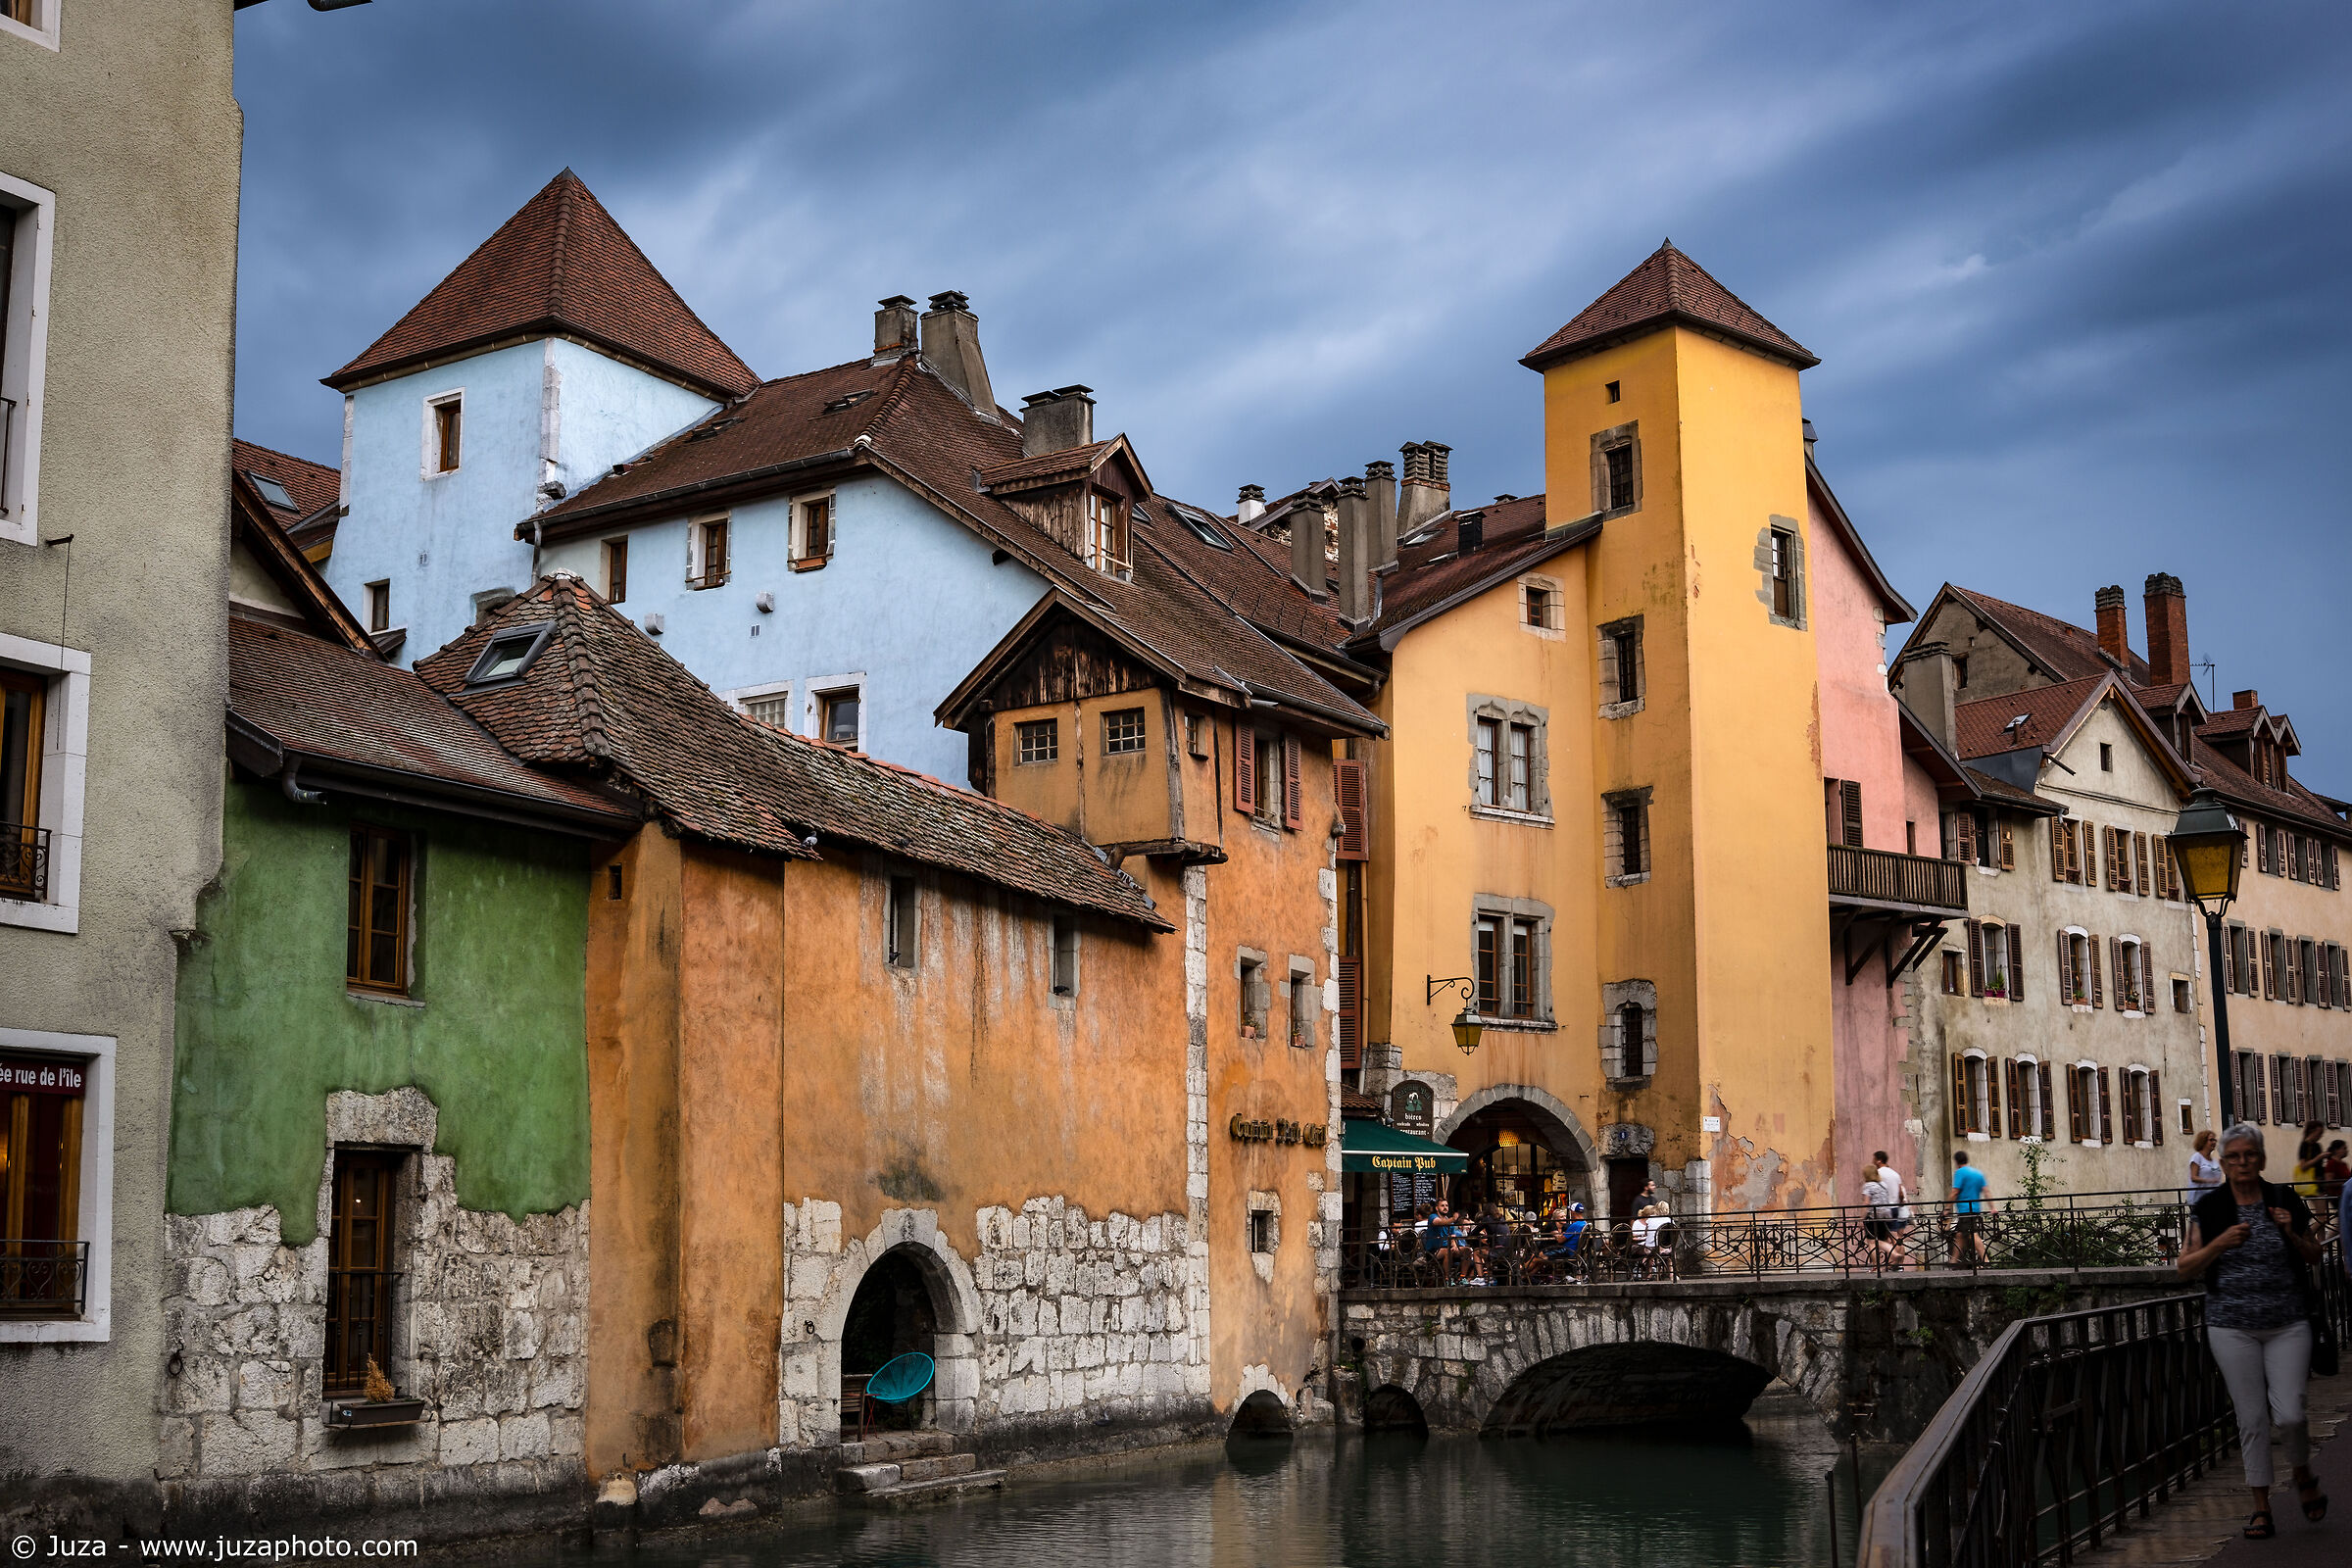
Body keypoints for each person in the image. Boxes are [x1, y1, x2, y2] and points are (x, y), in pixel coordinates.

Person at [2177, 1122, 2327, 1540]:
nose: (2243, 1163)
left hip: (2287, 1323)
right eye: (2234, 1157)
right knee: (2252, 1417)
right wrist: (2219, 1244)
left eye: (2250, 1155)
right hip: (2231, 1326)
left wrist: (2291, 1232)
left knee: (2292, 1413)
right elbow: (2184, 1265)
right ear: (2222, 1163)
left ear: (2261, 1160)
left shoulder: (2284, 1198)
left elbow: (2316, 1255)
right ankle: (2260, 1505)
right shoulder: (2208, 1210)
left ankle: (2300, 1471)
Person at [1949, 1152, 1989, 1266]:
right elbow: (1986, 1191)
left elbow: (1955, 1192)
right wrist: (1992, 1208)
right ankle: (1954, 1261)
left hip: (1965, 1209)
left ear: (1956, 1162)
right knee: (1959, 1234)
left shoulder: (1960, 1173)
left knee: (1972, 1234)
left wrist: (1947, 1208)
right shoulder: (1978, 1173)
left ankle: (1985, 1260)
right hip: (1974, 1208)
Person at [2185, 1129, 2224, 1205]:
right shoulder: (2197, 1158)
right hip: (2199, 1199)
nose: (2214, 1142)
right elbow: (2194, 1177)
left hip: (2213, 1198)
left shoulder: (2214, 1160)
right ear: (2203, 1142)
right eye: (2211, 1140)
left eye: (2215, 1140)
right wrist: (2209, 1180)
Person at [2291, 1123, 2325, 1198]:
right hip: (2312, 1182)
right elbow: (2303, 1166)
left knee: (2322, 1207)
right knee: (2321, 1207)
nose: (2321, 1136)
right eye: (2319, 1133)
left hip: (2319, 1182)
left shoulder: (2317, 1146)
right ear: (2312, 1131)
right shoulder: (2305, 1145)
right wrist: (2319, 1157)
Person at [2322, 1140, 2350, 1204]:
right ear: (2336, 1150)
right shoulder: (2332, 1163)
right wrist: (2345, 1183)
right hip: (2338, 1195)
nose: (2346, 1151)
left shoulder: (2343, 1164)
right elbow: (2328, 1182)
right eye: (2344, 1148)